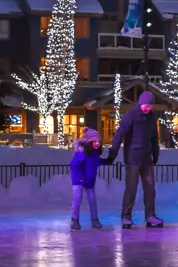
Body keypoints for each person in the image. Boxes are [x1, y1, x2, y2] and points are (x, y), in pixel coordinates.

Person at [107, 91, 163, 228]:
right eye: (146, 105)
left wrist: (155, 155)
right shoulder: (131, 115)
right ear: (140, 103)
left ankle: (150, 215)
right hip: (132, 159)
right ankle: (126, 216)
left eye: (150, 106)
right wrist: (112, 154)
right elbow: (120, 134)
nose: (148, 108)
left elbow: (155, 138)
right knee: (131, 189)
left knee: (150, 189)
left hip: (147, 159)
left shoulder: (151, 118)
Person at [70, 127, 109, 230]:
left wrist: (107, 161)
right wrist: (81, 178)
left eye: (98, 141)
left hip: (90, 180)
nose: (97, 143)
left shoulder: (95, 154)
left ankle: (95, 220)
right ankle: (74, 220)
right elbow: (74, 165)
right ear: (89, 142)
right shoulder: (81, 153)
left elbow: (96, 162)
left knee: (92, 199)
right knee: (77, 198)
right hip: (79, 180)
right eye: (94, 141)